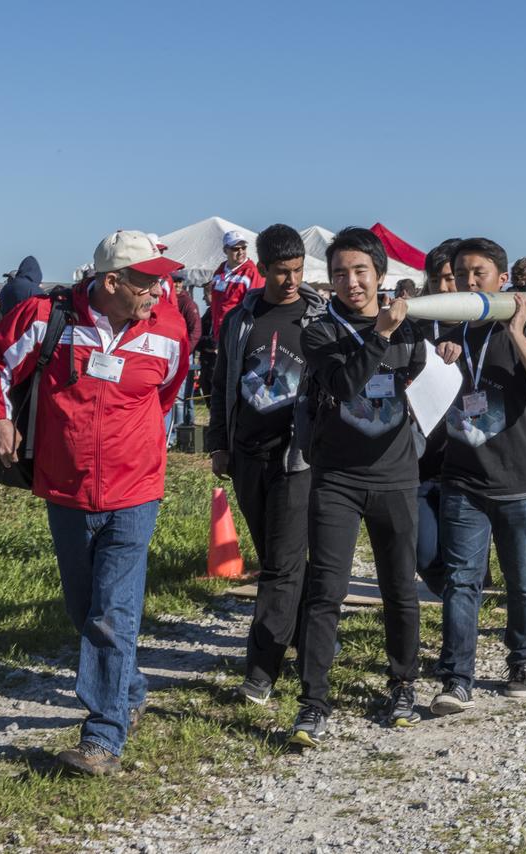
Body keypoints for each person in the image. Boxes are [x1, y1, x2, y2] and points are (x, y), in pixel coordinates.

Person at [0, 230, 188, 776]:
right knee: (83, 608)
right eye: (148, 281)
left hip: (136, 488)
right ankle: (129, 690)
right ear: (110, 281)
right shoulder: (48, 317)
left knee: (112, 612)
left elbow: (166, 392)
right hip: (66, 488)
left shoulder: (168, 327)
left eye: (162, 281)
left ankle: (104, 736)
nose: (159, 292)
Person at [289, 227, 426, 747]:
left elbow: (420, 378)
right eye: (341, 273)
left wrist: (446, 354)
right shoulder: (319, 332)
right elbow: (344, 383)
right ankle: (313, 703)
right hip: (337, 479)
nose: (351, 282)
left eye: (360, 271)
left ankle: (403, 685)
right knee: (326, 591)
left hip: (396, 475)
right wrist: (382, 335)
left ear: (380, 276)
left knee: (399, 588)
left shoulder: (412, 331)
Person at [431, 238, 526, 715]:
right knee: (461, 580)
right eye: (461, 274)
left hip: (519, 480)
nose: (469, 282)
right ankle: (456, 677)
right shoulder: (446, 331)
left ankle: (523, 660)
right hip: (463, 479)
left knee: (523, 579)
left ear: (502, 279)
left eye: (479, 273)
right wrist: (438, 360)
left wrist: (519, 335)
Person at [207, 225, 322, 705]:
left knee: (281, 564)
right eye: (282, 272)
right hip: (248, 454)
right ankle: (305, 642)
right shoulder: (242, 317)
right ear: (263, 268)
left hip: (298, 457)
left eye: (298, 270)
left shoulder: (318, 316)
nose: (291, 280)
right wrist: (219, 443)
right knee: (279, 558)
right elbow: (221, 382)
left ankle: (260, 671)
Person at [415, 238, 463, 596]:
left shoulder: (486, 329)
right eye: (436, 281)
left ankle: (463, 613)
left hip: (469, 468)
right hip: (418, 465)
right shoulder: (414, 329)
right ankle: (457, 597)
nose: (445, 288)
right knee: (425, 553)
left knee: (465, 553)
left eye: (452, 278)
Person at [209, 230, 265, 337]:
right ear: (225, 250)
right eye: (235, 249)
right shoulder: (219, 271)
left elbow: (256, 305)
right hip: (219, 332)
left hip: (238, 333)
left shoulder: (252, 272)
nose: (241, 252)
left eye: (243, 247)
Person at [172, 272, 201, 429]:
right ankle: (185, 427)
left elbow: (195, 331)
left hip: (183, 354)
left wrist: (186, 351)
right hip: (172, 353)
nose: (177, 285)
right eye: (174, 281)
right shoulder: (167, 300)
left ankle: (178, 431)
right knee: (181, 395)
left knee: (180, 396)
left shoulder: (188, 304)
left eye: (179, 281)